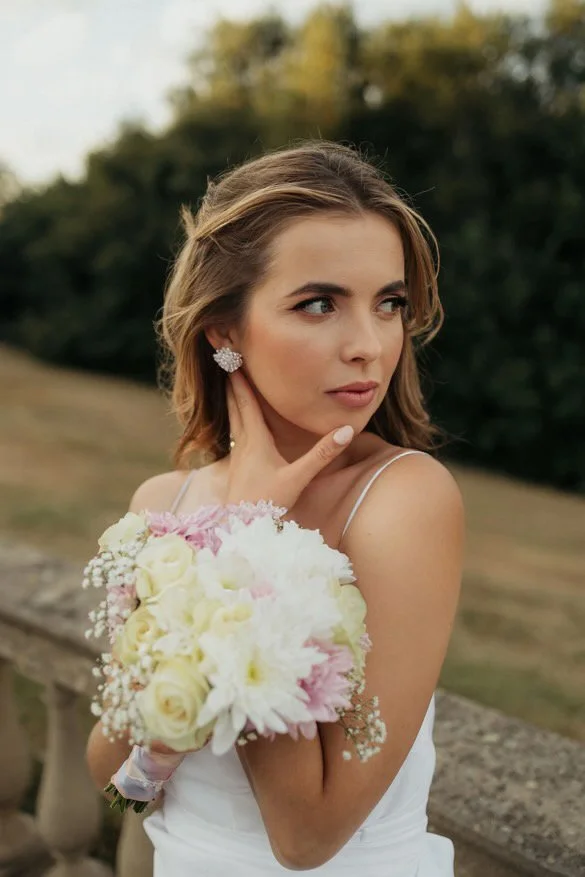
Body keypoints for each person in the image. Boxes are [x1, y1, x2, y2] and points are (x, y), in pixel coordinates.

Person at [86, 139, 464, 876]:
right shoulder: (165, 502)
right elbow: (117, 782)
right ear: (223, 330)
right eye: (319, 303)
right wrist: (162, 737)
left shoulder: (403, 501)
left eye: (388, 303)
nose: (368, 345)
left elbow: (306, 835)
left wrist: (251, 543)